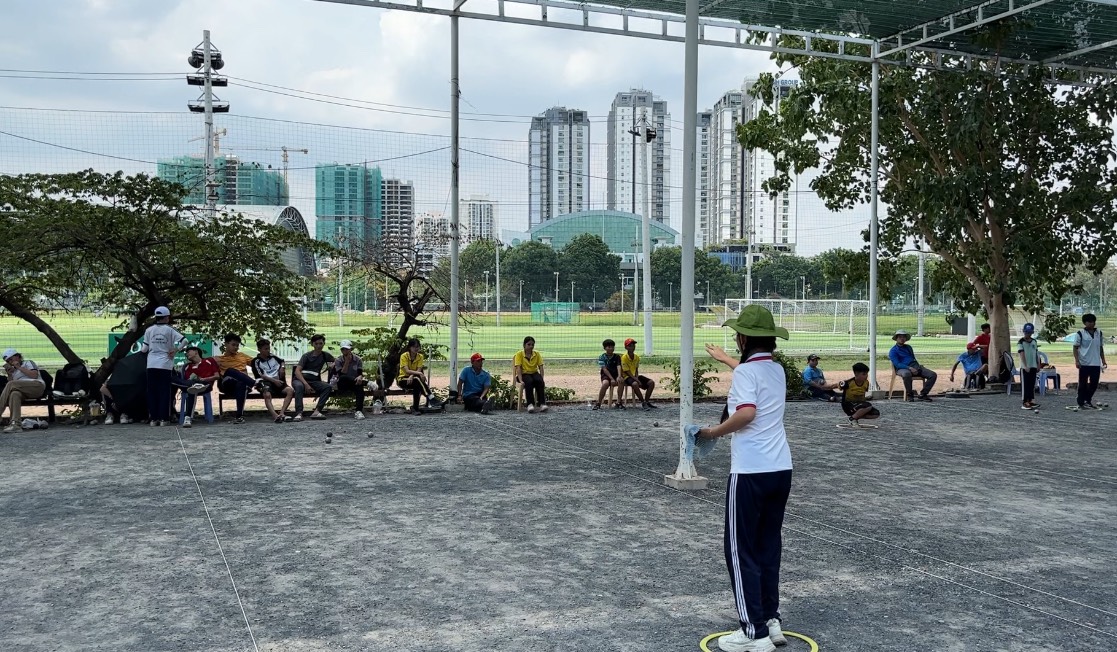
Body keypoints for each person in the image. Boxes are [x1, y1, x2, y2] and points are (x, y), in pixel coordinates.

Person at [694, 305, 793, 652]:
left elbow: (747, 412)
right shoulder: (775, 370)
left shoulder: (747, 375)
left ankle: (753, 632)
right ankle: (769, 619)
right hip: (780, 469)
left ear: (744, 337)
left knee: (739, 549)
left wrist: (712, 432)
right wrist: (727, 362)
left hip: (750, 471)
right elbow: (753, 378)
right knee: (768, 545)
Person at [141, 306, 186, 426]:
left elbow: (144, 349)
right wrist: (176, 349)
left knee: (152, 391)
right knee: (164, 391)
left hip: (151, 364)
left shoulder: (149, 330)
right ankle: (163, 419)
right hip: (165, 364)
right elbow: (184, 341)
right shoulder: (170, 330)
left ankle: (153, 419)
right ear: (167, 317)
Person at [214, 334, 258, 425]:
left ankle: (239, 416)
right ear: (226, 344)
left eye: (237, 345)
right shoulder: (219, 359)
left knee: (241, 383)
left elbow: (257, 363)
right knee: (230, 371)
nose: (236, 347)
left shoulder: (242, 356)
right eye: (233, 345)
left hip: (243, 384)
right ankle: (255, 383)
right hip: (227, 385)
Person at [1, 349, 47, 433]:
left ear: (17, 356)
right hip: (23, 391)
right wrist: (10, 374)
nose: (10, 362)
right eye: (8, 361)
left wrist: (19, 367)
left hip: (36, 386)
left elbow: (34, 375)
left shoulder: (28, 363)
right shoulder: (13, 371)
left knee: (11, 384)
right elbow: (10, 387)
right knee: (14, 394)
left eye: (11, 359)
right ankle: (15, 424)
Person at [253, 338, 295, 423]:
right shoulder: (256, 361)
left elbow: (282, 361)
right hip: (265, 382)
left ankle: (282, 413)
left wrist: (282, 368)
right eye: (265, 349)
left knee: (290, 391)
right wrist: (274, 381)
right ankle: (275, 416)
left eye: (268, 348)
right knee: (267, 394)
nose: (268, 351)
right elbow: (261, 375)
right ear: (259, 350)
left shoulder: (273, 357)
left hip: (278, 381)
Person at [293, 334, 334, 421]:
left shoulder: (325, 355)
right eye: (316, 344)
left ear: (323, 344)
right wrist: (306, 384)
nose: (319, 346)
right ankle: (299, 413)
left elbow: (336, 361)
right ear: (312, 344)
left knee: (327, 387)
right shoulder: (306, 356)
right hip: (300, 380)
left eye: (321, 343)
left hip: (314, 381)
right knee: (299, 387)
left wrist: (333, 365)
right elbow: (297, 371)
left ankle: (317, 411)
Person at [178, 345, 220, 428]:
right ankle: (196, 385)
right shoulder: (188, 367)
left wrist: (203, 379)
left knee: (193, 388)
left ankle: (188, 417)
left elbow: (217, 376)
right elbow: (186, 381)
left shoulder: (209, 360)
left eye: (188, 352)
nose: (186, 354)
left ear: (196, 352)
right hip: (190, 385)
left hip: (205, 385)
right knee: (191, 386)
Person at [888, 330, 936, 401]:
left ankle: (923, 394)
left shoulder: (909, 347)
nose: (902, 339)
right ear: (896, 338)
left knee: (932, 374)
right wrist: (909, 368)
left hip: (914, 366)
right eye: (900, 337)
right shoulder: (893, 351)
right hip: (902, 368)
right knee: (906, 374)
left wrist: (916, 367)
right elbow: (897, 364)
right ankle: (910, 394)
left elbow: (913, 359)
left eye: (904, 337)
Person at [1072, 313, 1107, 410]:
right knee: (1082, 383)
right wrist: (1077, 361)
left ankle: (1088, 400)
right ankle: (1081, 401)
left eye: (1093, 322)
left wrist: (1103, 360)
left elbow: (1100, 347)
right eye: (1089, 322)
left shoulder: (1099, 333)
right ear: (1085, 323)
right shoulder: (1080, 333)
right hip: (1084, 362)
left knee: (1094, 384)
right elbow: (1075, 348)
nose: (1092, 324)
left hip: (1095, 363)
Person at [397, 338, 440, 415]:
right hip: (403, 379)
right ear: (410, 347)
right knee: (418, 379)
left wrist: (412, 376)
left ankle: (415, 408)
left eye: (417, 347)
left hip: (414, 379)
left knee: (417, 384)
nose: (416, 348)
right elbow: (406, 371)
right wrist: (417, 374)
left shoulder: (420, 356)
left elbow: (419, 370)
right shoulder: (404, 356)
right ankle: (430, 397)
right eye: (414, 347)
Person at [331, 340, 368, 420]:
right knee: (344, 377)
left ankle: (358, 411)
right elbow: (341, 374)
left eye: (347, 349)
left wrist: (359, 377)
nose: (345, 351)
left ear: (351, 349)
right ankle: (367, 383)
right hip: (342, 384)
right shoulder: (338, 360)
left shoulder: (358, 360)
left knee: (359, 387)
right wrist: (347, 361)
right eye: (343, 349)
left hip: (354, 383)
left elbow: (360, 373)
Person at [620, 338, 658, 410]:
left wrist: (637, 377)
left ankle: (647, 401)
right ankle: (643, 402)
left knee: (651, 382)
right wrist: (636, 380)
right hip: (627, 377)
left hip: (634, 376)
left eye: (633, 345)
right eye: (630, 346)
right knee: (635, 384)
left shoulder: (637, 357)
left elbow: (636, 369)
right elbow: (626, 371)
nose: (632, 347)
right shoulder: (624, 358)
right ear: (626, 347)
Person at [513, 336, 547, 413]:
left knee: (539, 381)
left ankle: (542, 403)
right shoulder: (519, 354)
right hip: (523, 374)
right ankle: (530, 404)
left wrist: (541, 378)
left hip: (534, 373)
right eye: (529, 344)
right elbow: (518, 368)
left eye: (532, 345)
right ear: (524, 345)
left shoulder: (537, 354)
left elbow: (541, 367)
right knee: (529, 382)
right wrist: (521, 380)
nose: (531, 346)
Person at [593, 339, 623, 410]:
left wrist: (619, 376)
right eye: (609, 347)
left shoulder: (617, 356)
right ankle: (599, 403)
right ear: (605, 348)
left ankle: (619, 402)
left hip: (615, 374)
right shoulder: (602, 357)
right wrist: (612, 379)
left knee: (621, 381)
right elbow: (604, 369)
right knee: (605, 384)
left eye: (612, 347)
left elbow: (619, 366)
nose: (611, 348)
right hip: (606, 375)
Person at [1017, 323, 1041, 410]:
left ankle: (1031, 400)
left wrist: (1038, 364)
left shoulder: (1034, 341)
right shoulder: (1021, 342)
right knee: (1025, 385)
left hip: (1033, 366)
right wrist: (1025, 366)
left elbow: (1036, 353)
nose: (1028, 334)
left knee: (1032, 384)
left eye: (1029, 333)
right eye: (1026, 332)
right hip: (1025, 367)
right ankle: (1025, 401)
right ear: (1024, 332)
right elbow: (1022, 354)